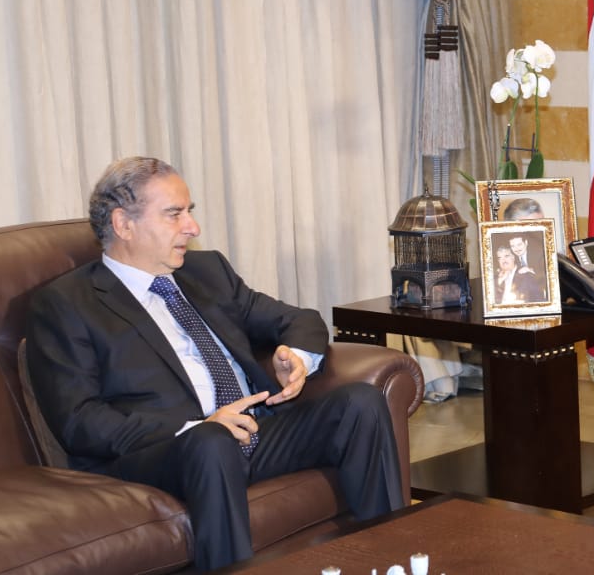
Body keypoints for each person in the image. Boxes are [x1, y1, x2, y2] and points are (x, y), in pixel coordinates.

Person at [25, 157, 405, 571]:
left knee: (360, 403)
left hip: (253, 429)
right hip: (164, 449)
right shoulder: (67, 303)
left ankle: (388, 561)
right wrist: (198, 426)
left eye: (189, 211)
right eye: (174, 214)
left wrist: (295, 357)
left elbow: (298, 320)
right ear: (123, 224)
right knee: (211, 441)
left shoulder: (206, 272)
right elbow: (79, 421)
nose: (193, 227)